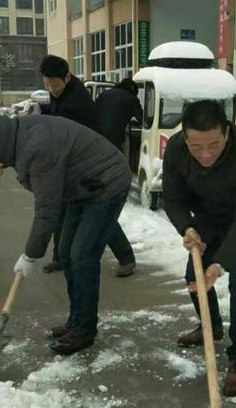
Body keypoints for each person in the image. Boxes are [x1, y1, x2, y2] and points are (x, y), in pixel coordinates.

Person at [0, 111, 131, 355]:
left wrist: (30, 254)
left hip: (106, 182)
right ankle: (76, 319)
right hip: (80, 185)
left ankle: (84, 329)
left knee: (82, 255)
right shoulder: (19, 134)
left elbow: (47, 210)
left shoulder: (38, 150)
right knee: (65, 253)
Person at [162, 100, 236, 397]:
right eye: (196, 147)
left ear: (227, 132)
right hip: (209, 215)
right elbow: (172, 199)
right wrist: (186, 228)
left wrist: (221, 262)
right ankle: (210, 327)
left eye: (214, 144)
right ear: (185, 138)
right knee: (195, 275)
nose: (206, 154)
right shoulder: (175, 149)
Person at [40, 54, 136, 278]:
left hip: (93, 167)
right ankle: (60, 257)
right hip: (73, 163)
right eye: (47, 85)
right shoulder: (62, 92)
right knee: (62, 210)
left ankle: (127, 258)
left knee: (97, 214)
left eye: (54, 85)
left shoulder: (75, 103)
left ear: (67, 77)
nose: (51, 89)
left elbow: (60, 134)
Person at [94, 78, 143, 277]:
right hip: (113, 148)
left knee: (99, 212)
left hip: (95, 146)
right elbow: (142, 120)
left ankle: (124, 257)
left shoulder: (103, 95)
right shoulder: (130, 99)